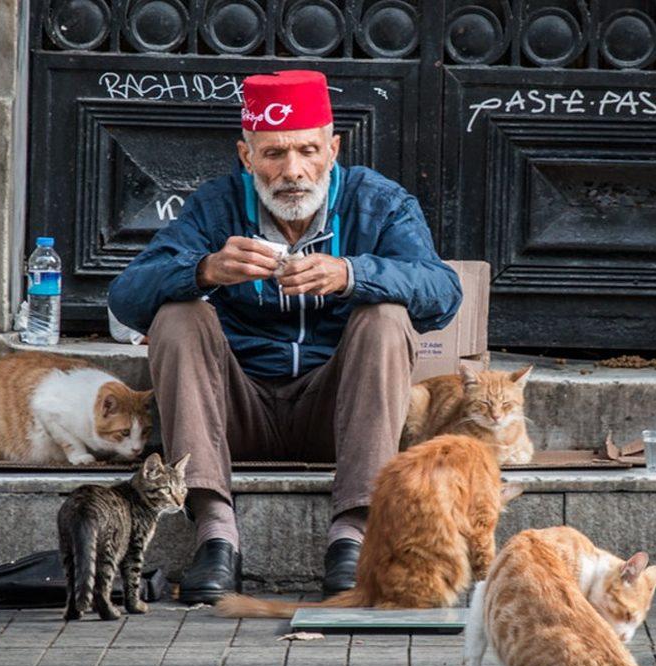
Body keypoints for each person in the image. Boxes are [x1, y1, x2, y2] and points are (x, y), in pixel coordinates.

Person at [108, 69, 462, 604]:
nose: (293, 171)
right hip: (237, 412)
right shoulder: (216, 205)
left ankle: (353, 534)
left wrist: (352, 275)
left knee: (386, 317)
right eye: (274, 154)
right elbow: (126, 297)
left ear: (333, 148)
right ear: (247, 156)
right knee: (178, 315)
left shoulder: (379, 203)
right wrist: (203, 270)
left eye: (307, 151)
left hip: (336, 413)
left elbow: (443, 293)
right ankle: (215, 532)